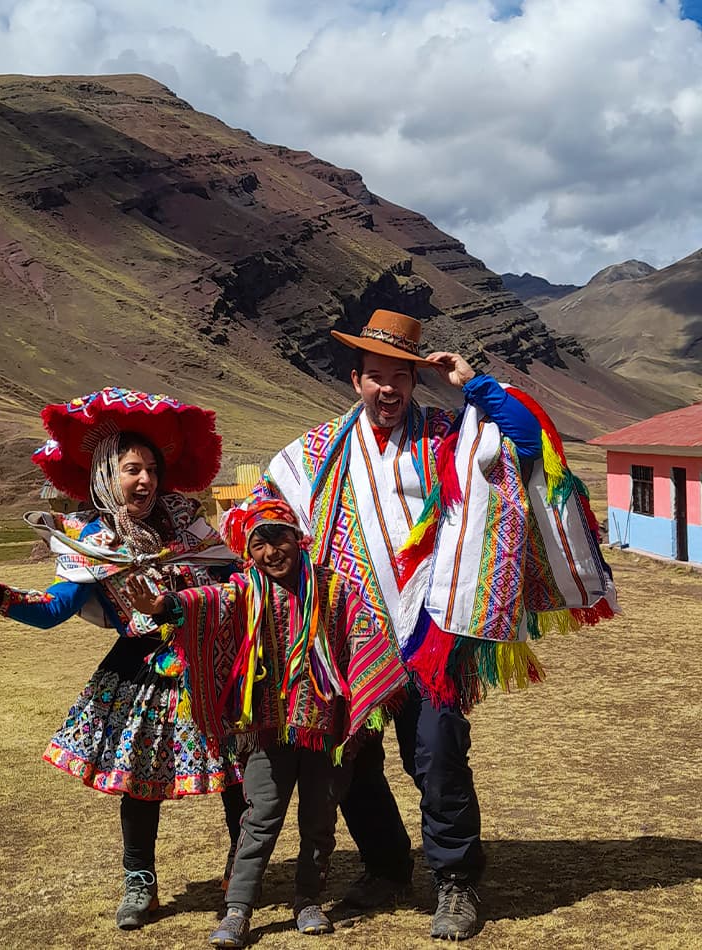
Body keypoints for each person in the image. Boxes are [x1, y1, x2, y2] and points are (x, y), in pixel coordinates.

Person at [247, 309, 617, 940]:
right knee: (352, 763)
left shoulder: (450, 435)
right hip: (352, 636)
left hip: (432, 628)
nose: (388, 390)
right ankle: (387, 868)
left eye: (401, 377)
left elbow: (527, 444)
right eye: (376, 377)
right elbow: (269, 507)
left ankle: (455, 880)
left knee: (439, 756)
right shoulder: (315, 452)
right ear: (355, 379)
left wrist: (474, 384)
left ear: (417, 381)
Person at [0, 388, 247, 931]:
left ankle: (242, 871)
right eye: (130, 470)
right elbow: (53, 609)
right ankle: (139, 882)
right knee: (140, 779)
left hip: (209, 660)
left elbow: (233, 578)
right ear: (105, 473)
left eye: (150, 468)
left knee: (238, 774)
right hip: (142, 672)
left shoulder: (188, 522)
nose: (143, 480)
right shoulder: (91, 539)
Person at [126, 498, 409, 948]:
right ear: (248, 551)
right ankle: (238, 909)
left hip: (325, 730)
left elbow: (364, 634)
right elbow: (207, 601)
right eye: (258, 543)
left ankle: (308, 900)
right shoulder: (243, 590)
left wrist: (371, 687)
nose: (271, 551)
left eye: (279, 538)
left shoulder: (333, 590)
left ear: (299, 539)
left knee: (320, 818)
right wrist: (165, 606)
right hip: (265, 729)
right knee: (259, 818)